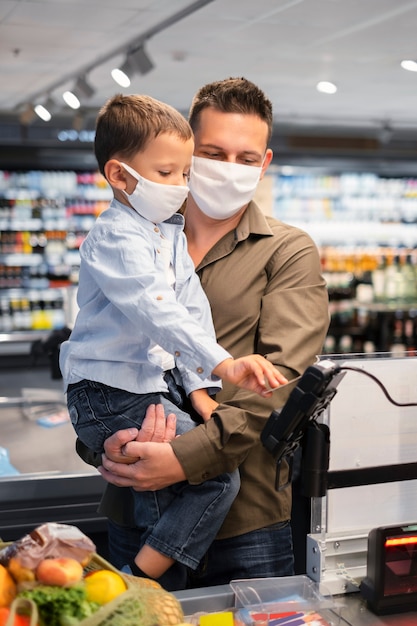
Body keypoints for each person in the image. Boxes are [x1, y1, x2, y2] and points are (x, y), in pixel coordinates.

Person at [78, 77, 330, 589]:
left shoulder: (287, 251)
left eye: (246, 157)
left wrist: (183, 459)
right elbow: (97, 349)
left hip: (248, 522)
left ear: (264, 163)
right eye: (213, 152)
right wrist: (104, 447)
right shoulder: (132, 239)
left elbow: (280, 384)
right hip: (135, 502)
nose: (228, 168)